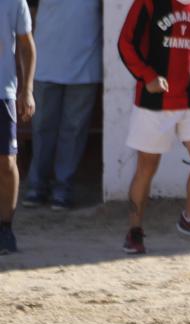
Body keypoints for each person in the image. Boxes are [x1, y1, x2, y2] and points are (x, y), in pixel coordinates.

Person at [116, 0, 190, 255]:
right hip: (154, 102)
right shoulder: (149, 2)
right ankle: (134, 231)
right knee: (146, 168)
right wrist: (147, 75)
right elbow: (125, 43)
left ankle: (189, 218)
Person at [22, 0, 102, 211]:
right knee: (42, 128)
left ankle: (62, 188)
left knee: (74, 132)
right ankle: (37, 186)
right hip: (44, 63)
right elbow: (25, 11)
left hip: (86, 65)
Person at [0, 0, 35, 254]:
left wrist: (28, 90)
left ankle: (5, 228)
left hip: (3, 92)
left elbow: (26, 45)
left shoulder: (14, 1)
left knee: (7, 162)